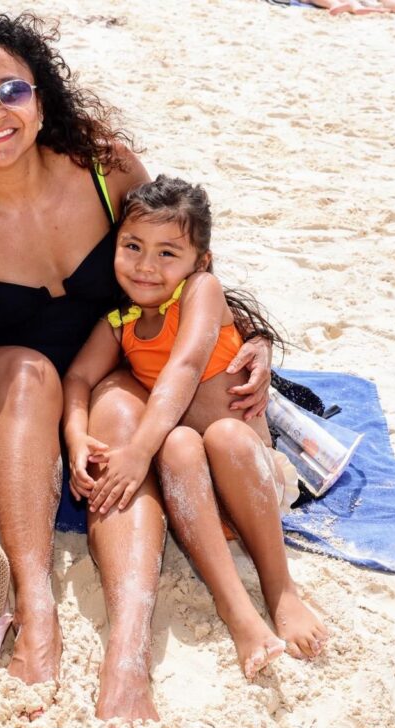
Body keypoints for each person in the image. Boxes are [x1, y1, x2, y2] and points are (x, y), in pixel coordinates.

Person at [0, 14, 272, 721]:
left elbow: (177, 262)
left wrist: (253, 336)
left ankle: (126, 654)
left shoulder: (105, 168)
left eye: (11, 90)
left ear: (41, 100)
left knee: (121, 414)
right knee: (33, 372)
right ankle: (36, 611)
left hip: (103, 377)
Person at [63, 176, 329, 683]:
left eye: (168, 253)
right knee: (181, 443)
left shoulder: (201, 291)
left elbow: (185, 368)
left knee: (223, 435)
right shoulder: (119, 323)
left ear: (200, 261)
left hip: (254, 483)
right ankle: (235, 608)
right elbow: (76, 379)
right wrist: (77, 435)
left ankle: (281, 591)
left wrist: (138, 449)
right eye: (133, 246)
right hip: (197, 502)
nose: (146, 265)